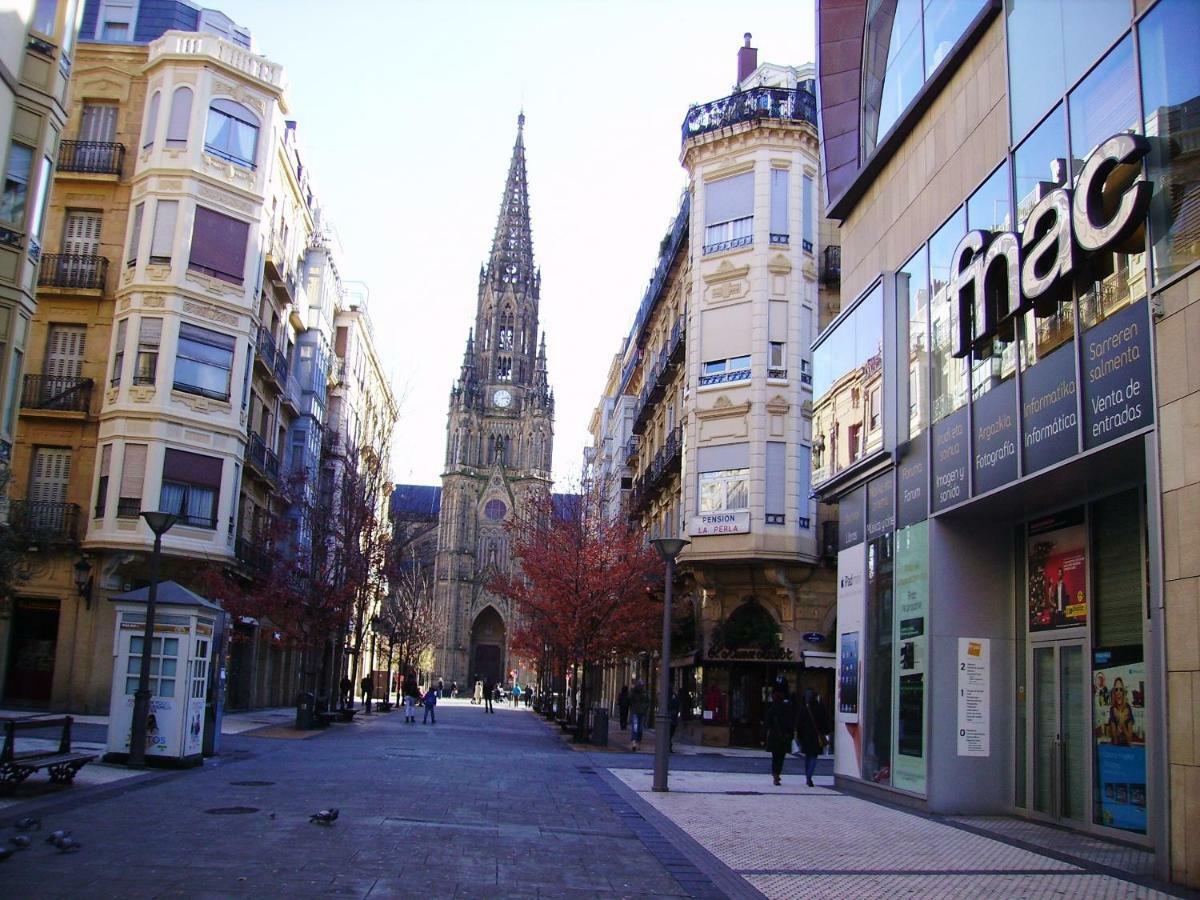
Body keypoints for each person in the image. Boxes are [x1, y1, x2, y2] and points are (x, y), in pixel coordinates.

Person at [763, 685, 796, 786]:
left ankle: (775, 774)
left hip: (774, 736)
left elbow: (767, 723)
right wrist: (791, 734)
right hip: (784, 736)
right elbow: (790, 722)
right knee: (781, 757)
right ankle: (777, 773)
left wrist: (764, 735)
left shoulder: (772, 709)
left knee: (775, 757)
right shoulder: (787, 708)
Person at [796, 688, 830, 787]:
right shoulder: (820, 707)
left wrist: (798, 736)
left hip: (806, 736)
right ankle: (809, 776)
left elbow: (799, 724)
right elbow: (824, 722)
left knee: (807, 756)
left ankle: (808, 775)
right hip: (816, 736)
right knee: (814, 756)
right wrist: (826, 732)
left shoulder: (803, 708)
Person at [1108, 677, 1136, 745]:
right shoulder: (1112, 709)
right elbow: (1115, 740)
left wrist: (1121, 722)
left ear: (1123, 692)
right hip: (1115, 750)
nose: (1118, 692)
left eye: (1120, 689)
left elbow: (1129, 740)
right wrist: (1122, 720)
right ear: (1114, 693)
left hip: (1126, 750)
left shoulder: (1128, 708)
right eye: (1116, 690)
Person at [630, 681, 649, 751]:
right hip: (636, 712)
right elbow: (631, 700)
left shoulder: (644, 693)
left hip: (640, 712)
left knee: (639, 728)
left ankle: (637, 743)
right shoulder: (635, 693)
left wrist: (644, 707)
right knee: (636, 728)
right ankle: (635, 743)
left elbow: (647, 701)